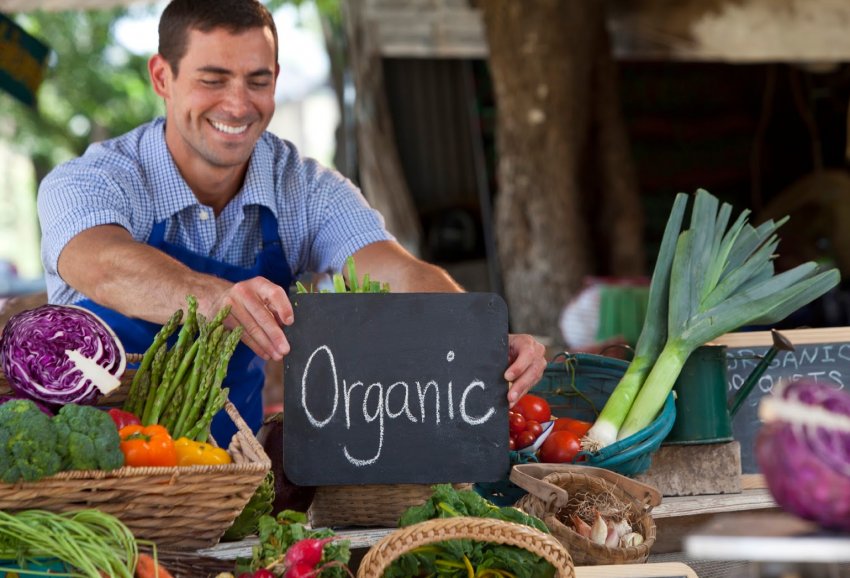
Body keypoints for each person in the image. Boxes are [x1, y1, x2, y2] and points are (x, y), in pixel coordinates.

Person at [37, 0, 546, 443]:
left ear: (275, 80)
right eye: (212, 80)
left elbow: (397, 271)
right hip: (91, 477)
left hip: (230, 481)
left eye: (257, 81)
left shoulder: (304, 189)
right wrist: (215, 299)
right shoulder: (92, 180)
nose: (237, 104)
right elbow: (99, 263)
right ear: (162, 78)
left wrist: (476, 333)